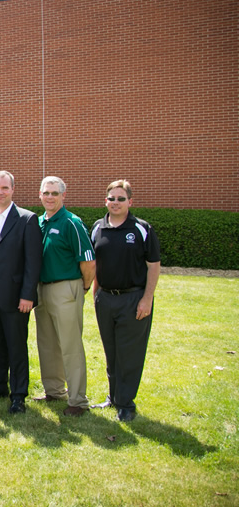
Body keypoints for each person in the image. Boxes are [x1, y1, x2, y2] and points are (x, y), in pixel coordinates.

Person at [90, 180, 160, 422]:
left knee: (129, 354)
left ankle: (126, 404)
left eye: (121, 198)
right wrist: (96, 293)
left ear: (130, 201)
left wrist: (147, 299)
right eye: (111, 198)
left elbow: (153, 266)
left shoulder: (142, 228)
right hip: (106, 299)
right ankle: (113, 398)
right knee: (112, 352)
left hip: (133, 299)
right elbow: (96, 264)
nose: (115, 202)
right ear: (105, 201)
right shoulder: (98, 228)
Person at [0, 171, 42, 414]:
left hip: (15, 295)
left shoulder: (26, 219)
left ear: (13, 190)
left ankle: (18, 395)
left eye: (4, 188)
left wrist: (28, 295)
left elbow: (33, 262)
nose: (0, 192)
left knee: (16, 345)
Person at [34, 176, 96, 417]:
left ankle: (78, 400)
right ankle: (54, 390)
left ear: (63, 196)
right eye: (46, 193)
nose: (50, 197)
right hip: (42, 288)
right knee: (47, 344)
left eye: (54, 193)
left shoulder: (72, 222)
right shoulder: (39, 222)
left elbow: (89, 262)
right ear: (40, 195)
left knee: (70, 346)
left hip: (65, 287)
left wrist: (83, 288)